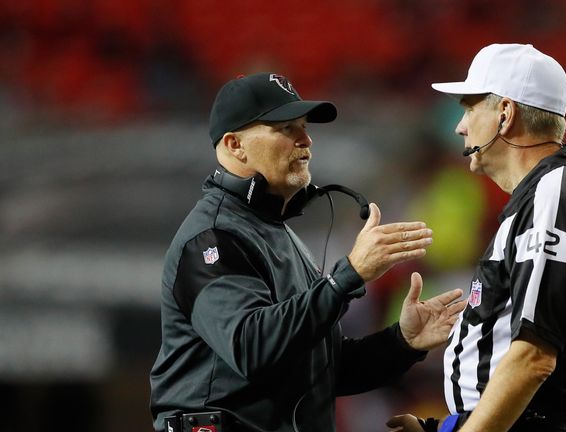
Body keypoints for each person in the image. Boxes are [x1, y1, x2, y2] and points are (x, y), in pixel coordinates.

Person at [149, 72, 467, 432]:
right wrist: (347, 275)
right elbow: (252, 348)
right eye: (286, 128)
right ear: (235, 145)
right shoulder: (212, 238)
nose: (306, 139)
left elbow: (319, 369)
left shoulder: (276, 234)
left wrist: (402, 342)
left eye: (303, 126)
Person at [387, 44, 566, 432]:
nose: (459, 126)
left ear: (505, 114)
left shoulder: (553, 194)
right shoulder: (554, 191)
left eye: (469, 108)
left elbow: (533, 356)